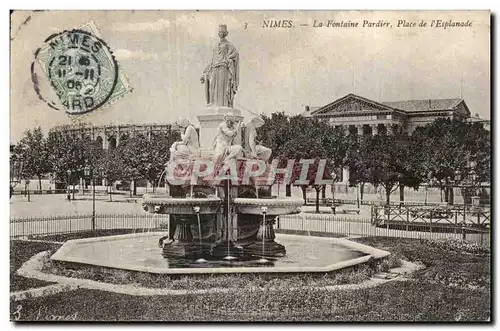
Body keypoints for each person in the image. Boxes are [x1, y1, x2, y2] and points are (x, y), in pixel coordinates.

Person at [200, 24, 239, 108]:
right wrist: (205, 71)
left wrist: (228, 59)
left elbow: (236, 54)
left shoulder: (228, 44)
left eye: (221, 31)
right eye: (219, 31)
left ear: (225, 33)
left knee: (221, 86)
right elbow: (212, 60)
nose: (220, 33)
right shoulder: (216, 45)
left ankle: (222, 104)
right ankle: (213, 102)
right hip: (214, 67)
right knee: (212, 85)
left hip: (223, 68)